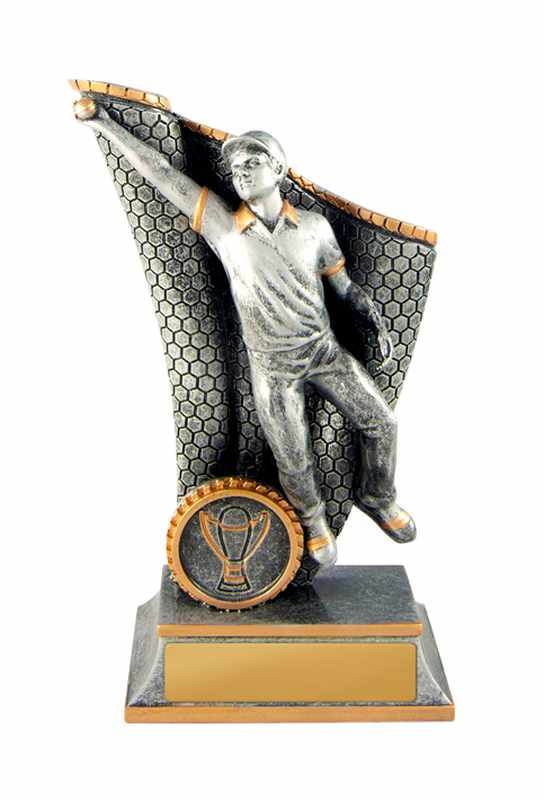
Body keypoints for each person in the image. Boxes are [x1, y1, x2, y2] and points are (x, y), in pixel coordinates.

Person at [75, 100, 416, 567]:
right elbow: (163, 174)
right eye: (235, 168)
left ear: (278, 169)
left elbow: (342, 286)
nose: (241, 173)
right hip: (272, 368)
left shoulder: (314, 227)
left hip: (324, 353)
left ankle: (378, 496)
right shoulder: (224, 226)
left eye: (252, 163)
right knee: (293, 456)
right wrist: (104, 124)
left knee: (382, 423)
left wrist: (370, 315)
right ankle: (314, 522)